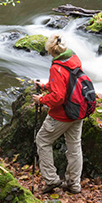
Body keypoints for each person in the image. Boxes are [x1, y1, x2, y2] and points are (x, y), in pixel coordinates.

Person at [32, 32, 85, 194]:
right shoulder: (74, 59)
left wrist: (41, 100)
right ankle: (74, 184)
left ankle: (51, 180)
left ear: (51, 51)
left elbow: (58, 97)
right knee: (74, 146)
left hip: (63, 114)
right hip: (79, 109)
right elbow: (67, 83)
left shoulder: (56, 68)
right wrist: (46, 86)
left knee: (42, 140)